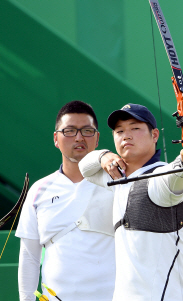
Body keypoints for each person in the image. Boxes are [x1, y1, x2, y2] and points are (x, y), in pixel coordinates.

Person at [79, 103, 183, 300]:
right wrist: (104, 155)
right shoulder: (117, 177)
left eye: (135, 128)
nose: (126, 135)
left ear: (154, 135)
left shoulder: (160, 175)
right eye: (119, 131)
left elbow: (171, 176)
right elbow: (84, 168)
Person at [15, 101, 116, 301]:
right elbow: (29, 256)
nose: (79, 137)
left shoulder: (117, 182)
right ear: (56, 138)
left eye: (87, 131)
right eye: (69, 131)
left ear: (97, 139)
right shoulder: (39, 190)